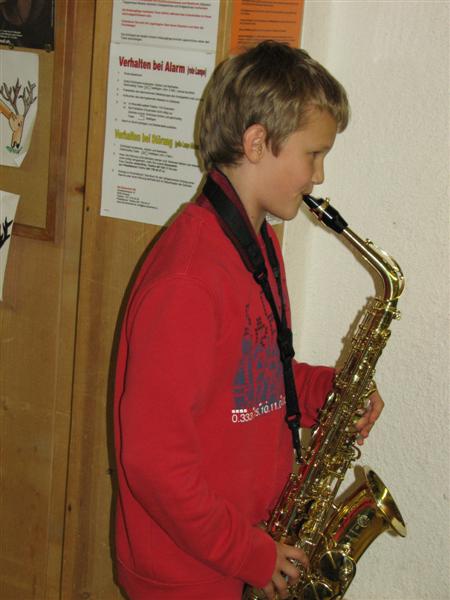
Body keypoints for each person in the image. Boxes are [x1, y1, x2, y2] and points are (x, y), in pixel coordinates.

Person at [113, 41, 384, 600]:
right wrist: (251, 555)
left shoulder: (259, 245)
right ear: (257, 143)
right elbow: (153, 463)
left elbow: (257, 377)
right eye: (313, 154)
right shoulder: (189, 278)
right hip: (189, 573)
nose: (319, 175)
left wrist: (334, 392)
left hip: (238, 553)